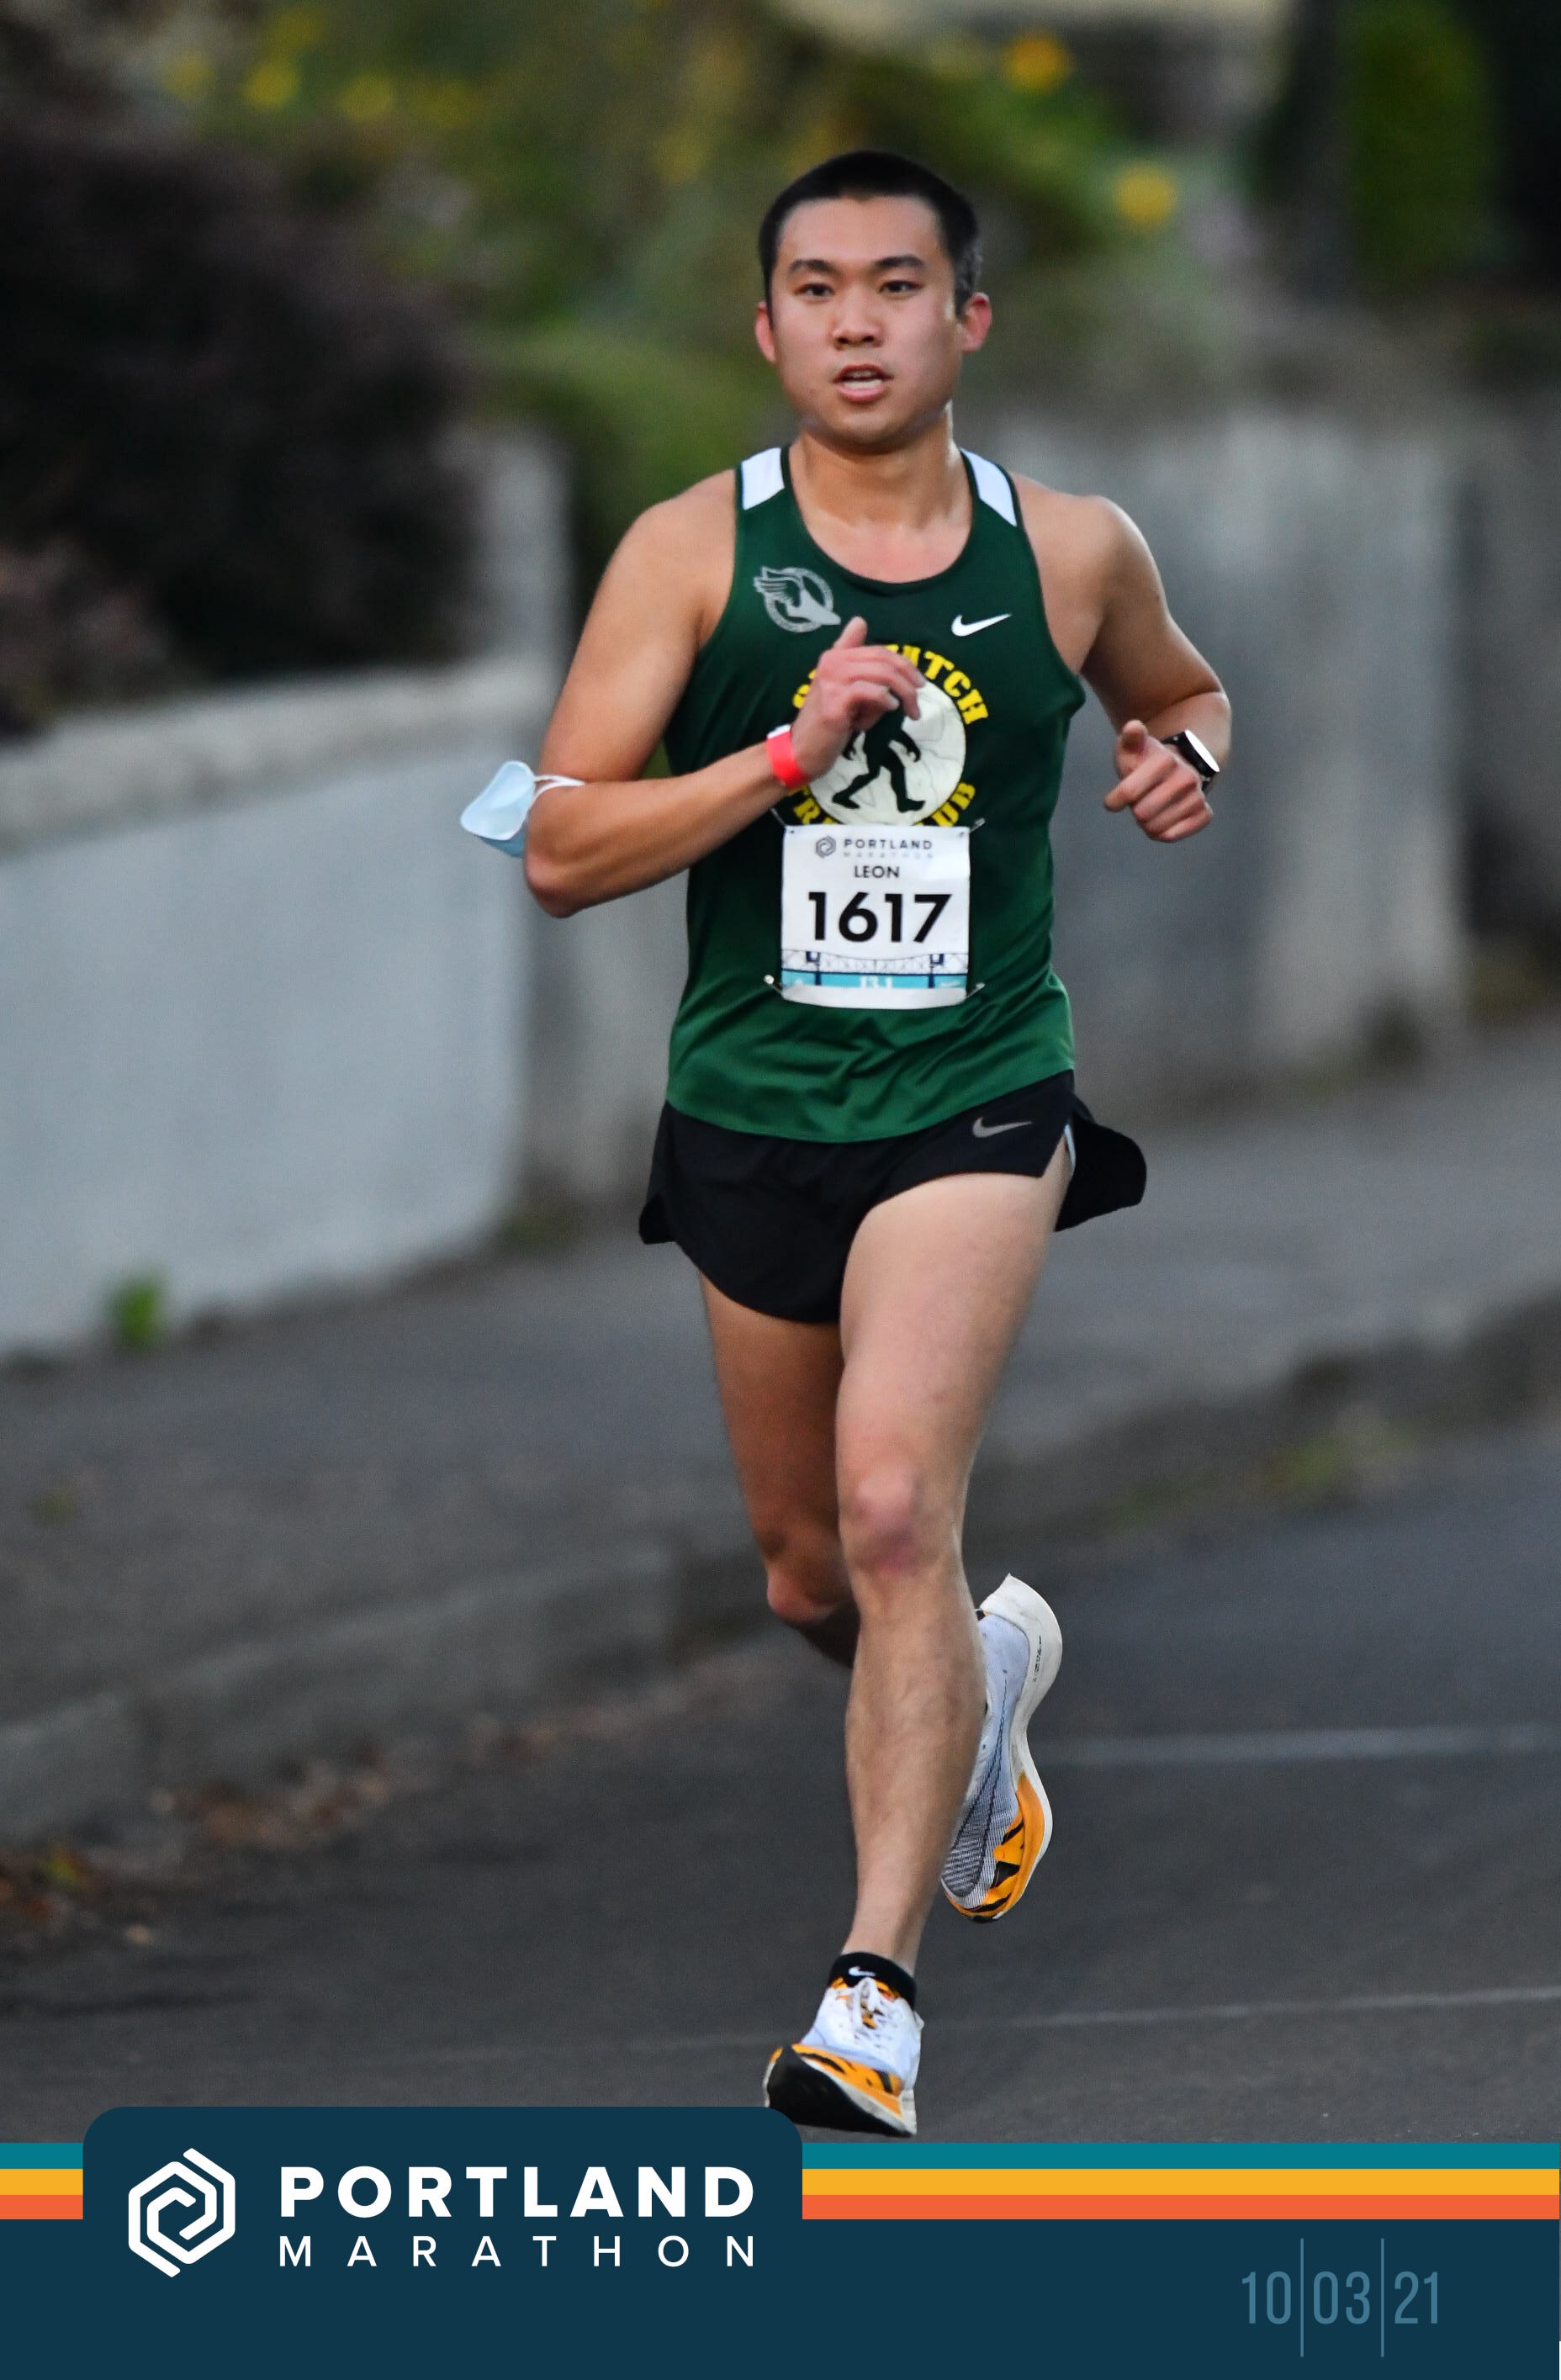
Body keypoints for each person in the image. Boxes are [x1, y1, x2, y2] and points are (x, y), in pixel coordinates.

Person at [523, 149, 1230, 2137]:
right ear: (766, 329)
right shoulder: (690, 551)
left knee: (902, 1504)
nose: (857, 321)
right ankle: (981, 1697)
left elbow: (1186, 690)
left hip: (976, 1089)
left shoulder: (1069, 548)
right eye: (818, 288)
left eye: (897, 284)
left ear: (965, 319)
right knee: (812, 1570)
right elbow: (560, 845)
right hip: (752, 1104)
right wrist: (779, 754)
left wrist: (1183, 755)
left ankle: (871, 2001)